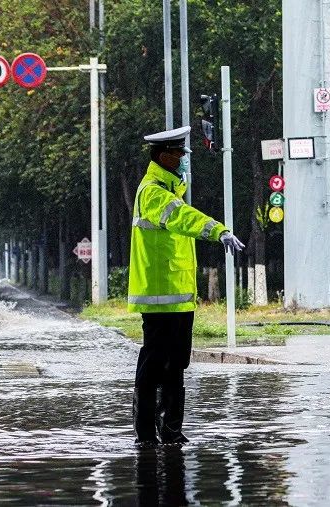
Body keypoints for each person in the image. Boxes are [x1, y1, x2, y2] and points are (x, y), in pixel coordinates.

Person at [128, 125, 245, 446]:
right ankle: (145, 433)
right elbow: (184, 218)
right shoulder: (152, 191)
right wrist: (218, 229)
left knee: (177, 362)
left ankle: (171, 430)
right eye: (179, 154)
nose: (183, 160)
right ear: (164, 156)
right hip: (157, 294)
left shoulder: (170, 188)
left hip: (179, 297)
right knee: (154, 363)